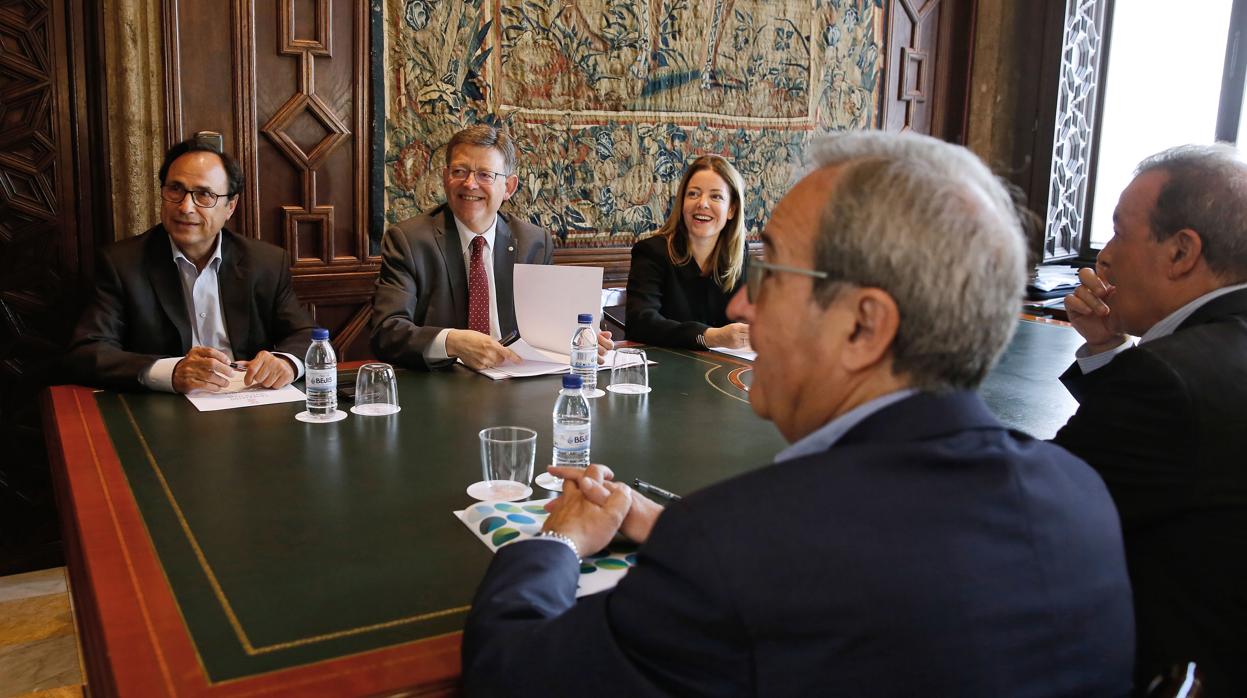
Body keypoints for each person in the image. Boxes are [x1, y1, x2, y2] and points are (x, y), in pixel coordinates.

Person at [462, 131, 1135, 697]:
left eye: (774, 272)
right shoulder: (1079, 497)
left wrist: (554, 543)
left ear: (862, 327)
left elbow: (509, 672)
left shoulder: (735, 549)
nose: (738, 308)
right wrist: (663, 526)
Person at [1055, 144, 1247, 697]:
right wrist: (1110, 349)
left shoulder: (1165, 381)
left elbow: (1043, 501)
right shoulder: (1200, 358)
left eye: (1118, 232)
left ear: (1182, 251)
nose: (1104, 256)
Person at [66, 137, 313, 393]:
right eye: (175, 189)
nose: (185, 207)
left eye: (204, 194)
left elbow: (308, 336)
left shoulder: (266, 262)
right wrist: (171, 372)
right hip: (163, 411)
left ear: (230, 206)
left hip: (249, 403)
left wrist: (286, 362)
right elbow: (87, 353)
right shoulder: (122, 264)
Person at [371, 125, 611, 370]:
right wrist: (452, 341)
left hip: (517, 383)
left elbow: (546, 324)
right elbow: (387, 332)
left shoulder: (534, 242)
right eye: (459, 171)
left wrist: (578, 336)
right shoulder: (409, 241)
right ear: (446, 178)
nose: (470, 184)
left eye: (485, 175)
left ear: (508, 187)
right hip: (443, 384)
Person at [625, 155, 750, 349]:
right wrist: (710, 336)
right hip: (667, 370)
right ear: (682, 203)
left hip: (724, 373)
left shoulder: (740, 255)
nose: (702, 203)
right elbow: (640, 323)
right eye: (693, 194)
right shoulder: (652, 252)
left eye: (715, 196)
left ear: (732, 209)